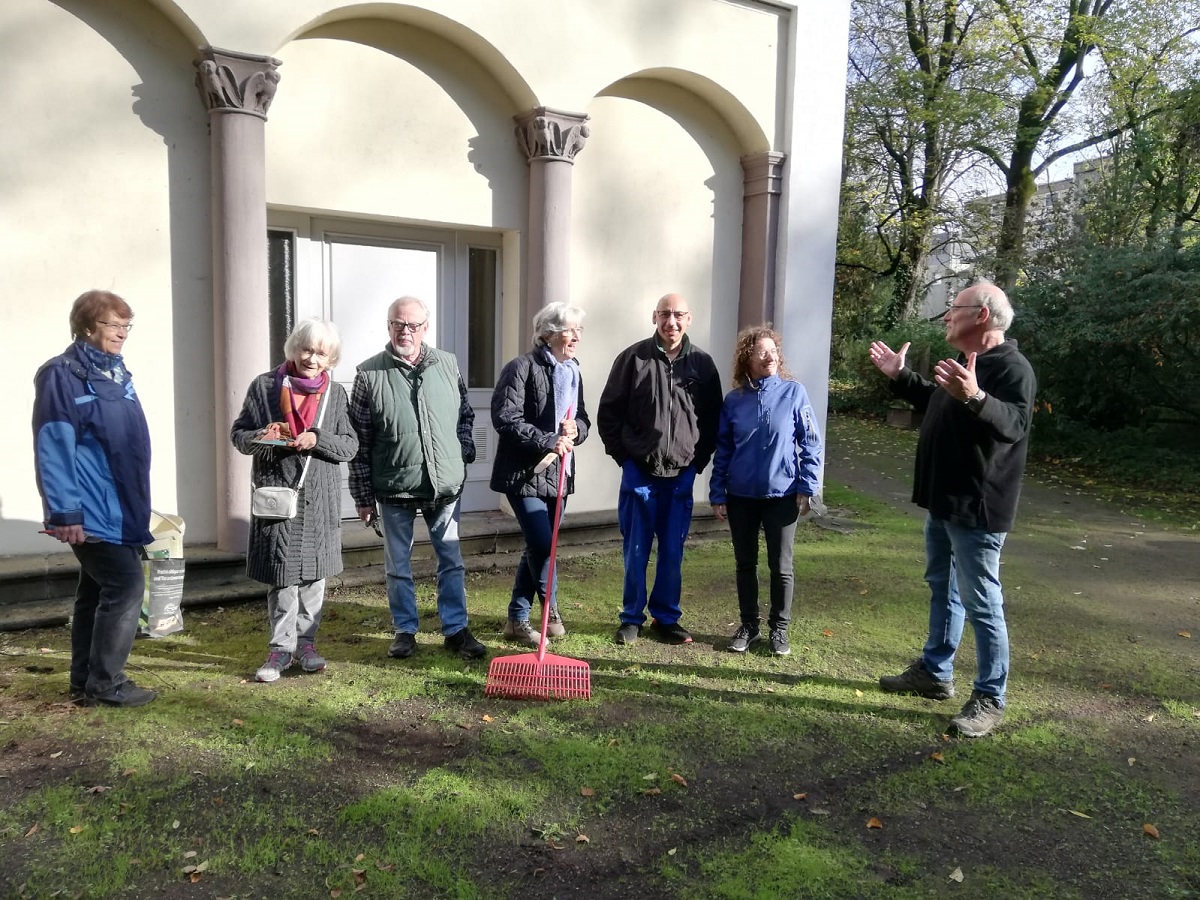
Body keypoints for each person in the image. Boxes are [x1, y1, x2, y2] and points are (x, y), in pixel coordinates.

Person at [870, 281, 1036, 738]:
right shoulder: (968, 364)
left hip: (977, 508)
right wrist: (901, 377)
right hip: (944, 502)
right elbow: (938, 402)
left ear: (981, 316)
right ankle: (934, 672)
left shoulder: (1012, 368)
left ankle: (990, 695)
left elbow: (1014, 424)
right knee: (943, 588)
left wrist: (977, 397)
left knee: (982, 600)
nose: (946, 315)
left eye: (954, 308)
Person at [32, 290, 157, 707]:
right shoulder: (61, 375)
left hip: (123, 506)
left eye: (126, 325)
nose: (122, 333)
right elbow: (54, 445)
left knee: (94, 591)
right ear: (87, 326)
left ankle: (85, 677)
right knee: (125, 586)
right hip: (92, 510)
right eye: (112, 324)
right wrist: (65, 511)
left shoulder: (117, 375)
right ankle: (106, 684)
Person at [348, 296, 486, 660]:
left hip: (445, 486)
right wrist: (362, 497)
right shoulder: (368, 374)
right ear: (388, 325)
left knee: (451, 559)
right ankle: (405, 630)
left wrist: (463, 451)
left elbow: (465, 416)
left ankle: (455, 629)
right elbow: (359, 443)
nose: (404, 331)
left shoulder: (448, 364)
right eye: (397, 324)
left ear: (426, 328)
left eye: (412, 325)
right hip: (394, 488)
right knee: (398, 564)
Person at [231, 318, 359, 683]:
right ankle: (280, 649)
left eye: (321, 353)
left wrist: (317, 438)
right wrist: (263, 434)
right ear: (293, 349)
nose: (312, 358)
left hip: (318, 500)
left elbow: (349, 445)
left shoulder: (335, 395)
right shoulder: (264, 387)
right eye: (306, 349)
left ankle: (307, 645)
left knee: (315, 578)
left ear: (331, 358)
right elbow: (238, 435)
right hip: (278, 499)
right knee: (282, 577)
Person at [597, 292, 722, 645]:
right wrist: (624, 457)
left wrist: (698, 462)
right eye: (665, 314)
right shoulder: (632, 359)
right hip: (640, 473)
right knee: (635, 549)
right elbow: (609, 413)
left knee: (672, 551)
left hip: (680, 475)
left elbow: (713, 419)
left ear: (689, 318)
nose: (671, 321)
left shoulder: (702, 364)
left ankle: (666, 618)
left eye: (678, 314)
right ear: (654, 317)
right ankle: (631, 618)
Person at [709, 326, 823, 658]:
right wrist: (718, 493)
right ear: (747, 358)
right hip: (741, 497)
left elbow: (810, 444)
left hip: (783, 496)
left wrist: (807, 487)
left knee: (781, 566)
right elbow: (724, 450)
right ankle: (749, 625)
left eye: (773, 350)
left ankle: (779, 630)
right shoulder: (735, 401)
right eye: (761, 351)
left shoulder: (794, 393)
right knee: (745, 564)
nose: (769, 356)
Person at [490, 303, 590, 646]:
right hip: (525, 473)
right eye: (569, 329)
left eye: (579, 330)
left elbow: (584, 420)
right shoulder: (521, 367)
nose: (576, 336)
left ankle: (516, 618)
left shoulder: (573, 371)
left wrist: (575, 429)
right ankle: (551, 607)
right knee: (543, 546)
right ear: (548, 333)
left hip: (560, 474)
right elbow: (505, 418)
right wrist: (548, 440)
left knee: (537, 547)